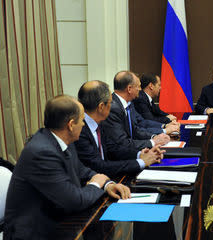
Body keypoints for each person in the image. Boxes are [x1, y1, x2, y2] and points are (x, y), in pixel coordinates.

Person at [4, 95, 131, 239]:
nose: (83, 124)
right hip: (35, 233)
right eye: (82, 120)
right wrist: (97, 184)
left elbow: (81, 170)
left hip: (59, 222)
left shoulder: (62, 140)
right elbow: (74, 201)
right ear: (71, 125)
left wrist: (107, 185)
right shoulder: (42, 152)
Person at [75, 80, 165, 177]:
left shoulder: (98, 123)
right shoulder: (79, 131)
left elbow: (113, 148)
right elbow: (99, 166)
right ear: (101, 107)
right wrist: (141, 162)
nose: (112, 105)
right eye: (110, 102)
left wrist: (139, 154)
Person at [102, 71, 174, 151]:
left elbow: (135, 129)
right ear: (129, 89)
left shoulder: (128, 103)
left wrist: (154, 137)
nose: (140, 90)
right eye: (138, 86)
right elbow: (121, 143)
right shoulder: (113, 108)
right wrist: (152, 142)